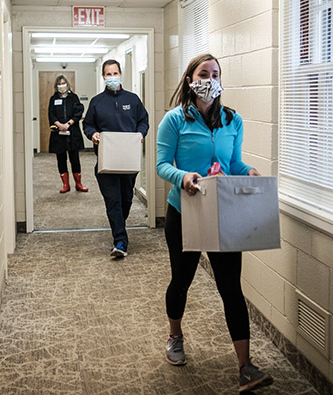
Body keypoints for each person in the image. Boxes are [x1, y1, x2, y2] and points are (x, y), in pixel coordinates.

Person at [156, 54, 274, 392]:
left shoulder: (231, 120)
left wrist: (247, 170)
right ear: (190, 79)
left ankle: (245, 366)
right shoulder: (174, 120)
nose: (209, 78)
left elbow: (232, 162)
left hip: (223, 211)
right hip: (185, 210)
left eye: (215, 73)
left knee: (230, 288)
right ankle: (175, 335)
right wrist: (183, 177)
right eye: (203, 73)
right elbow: (162, 164)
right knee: (182, 280)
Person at [83, 59, 149, 258]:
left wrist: (141, 134)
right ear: (103, 77)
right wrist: (93, 134)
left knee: (126, 199)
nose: (112, 77)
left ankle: (119, 226)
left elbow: (143, 121)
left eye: (115, 73)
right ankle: (120, 241)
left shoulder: (133, 99)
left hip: (128, 161)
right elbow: (87, 125)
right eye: (108, 74)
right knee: (113, 201)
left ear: (120, 74)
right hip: (106, 162)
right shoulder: (97, 102)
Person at [48, 75, 88, 193]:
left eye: (63, 83)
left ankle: (78, 184)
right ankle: (66, 185)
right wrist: (59, 124)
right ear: (56, 86)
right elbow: (51, 114)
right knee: (61, 159)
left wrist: (68, 123)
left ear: (67, 84)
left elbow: (78, 112)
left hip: (72, 132)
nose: (62, 85)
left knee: (74, 159)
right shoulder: (53, 98)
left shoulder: (73, 97)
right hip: (58, 133)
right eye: (59, 83)